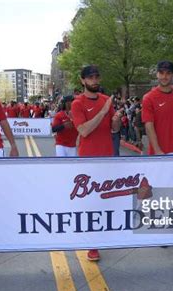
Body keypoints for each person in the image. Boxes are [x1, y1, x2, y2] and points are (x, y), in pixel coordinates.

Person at [71, 65, 121, 261]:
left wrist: (116, 119)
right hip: (88, 160)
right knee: (90, 203)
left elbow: (114, 130)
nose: (94, 81)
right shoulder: (77, 103)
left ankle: (105, 235)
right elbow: (83, 131)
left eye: (96, 77)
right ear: (82, 80)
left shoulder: (105, 100)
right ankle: (92, 244)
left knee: (107, 199)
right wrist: (103, 112)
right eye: (90, 78)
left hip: (107, 156)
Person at [142, 61, 173, 155]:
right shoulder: (148, 98)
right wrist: (157, 150)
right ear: (157, 74)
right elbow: (149, 126)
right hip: (160, 152)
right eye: (161, 73)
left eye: (168, 73)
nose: (164, 77)